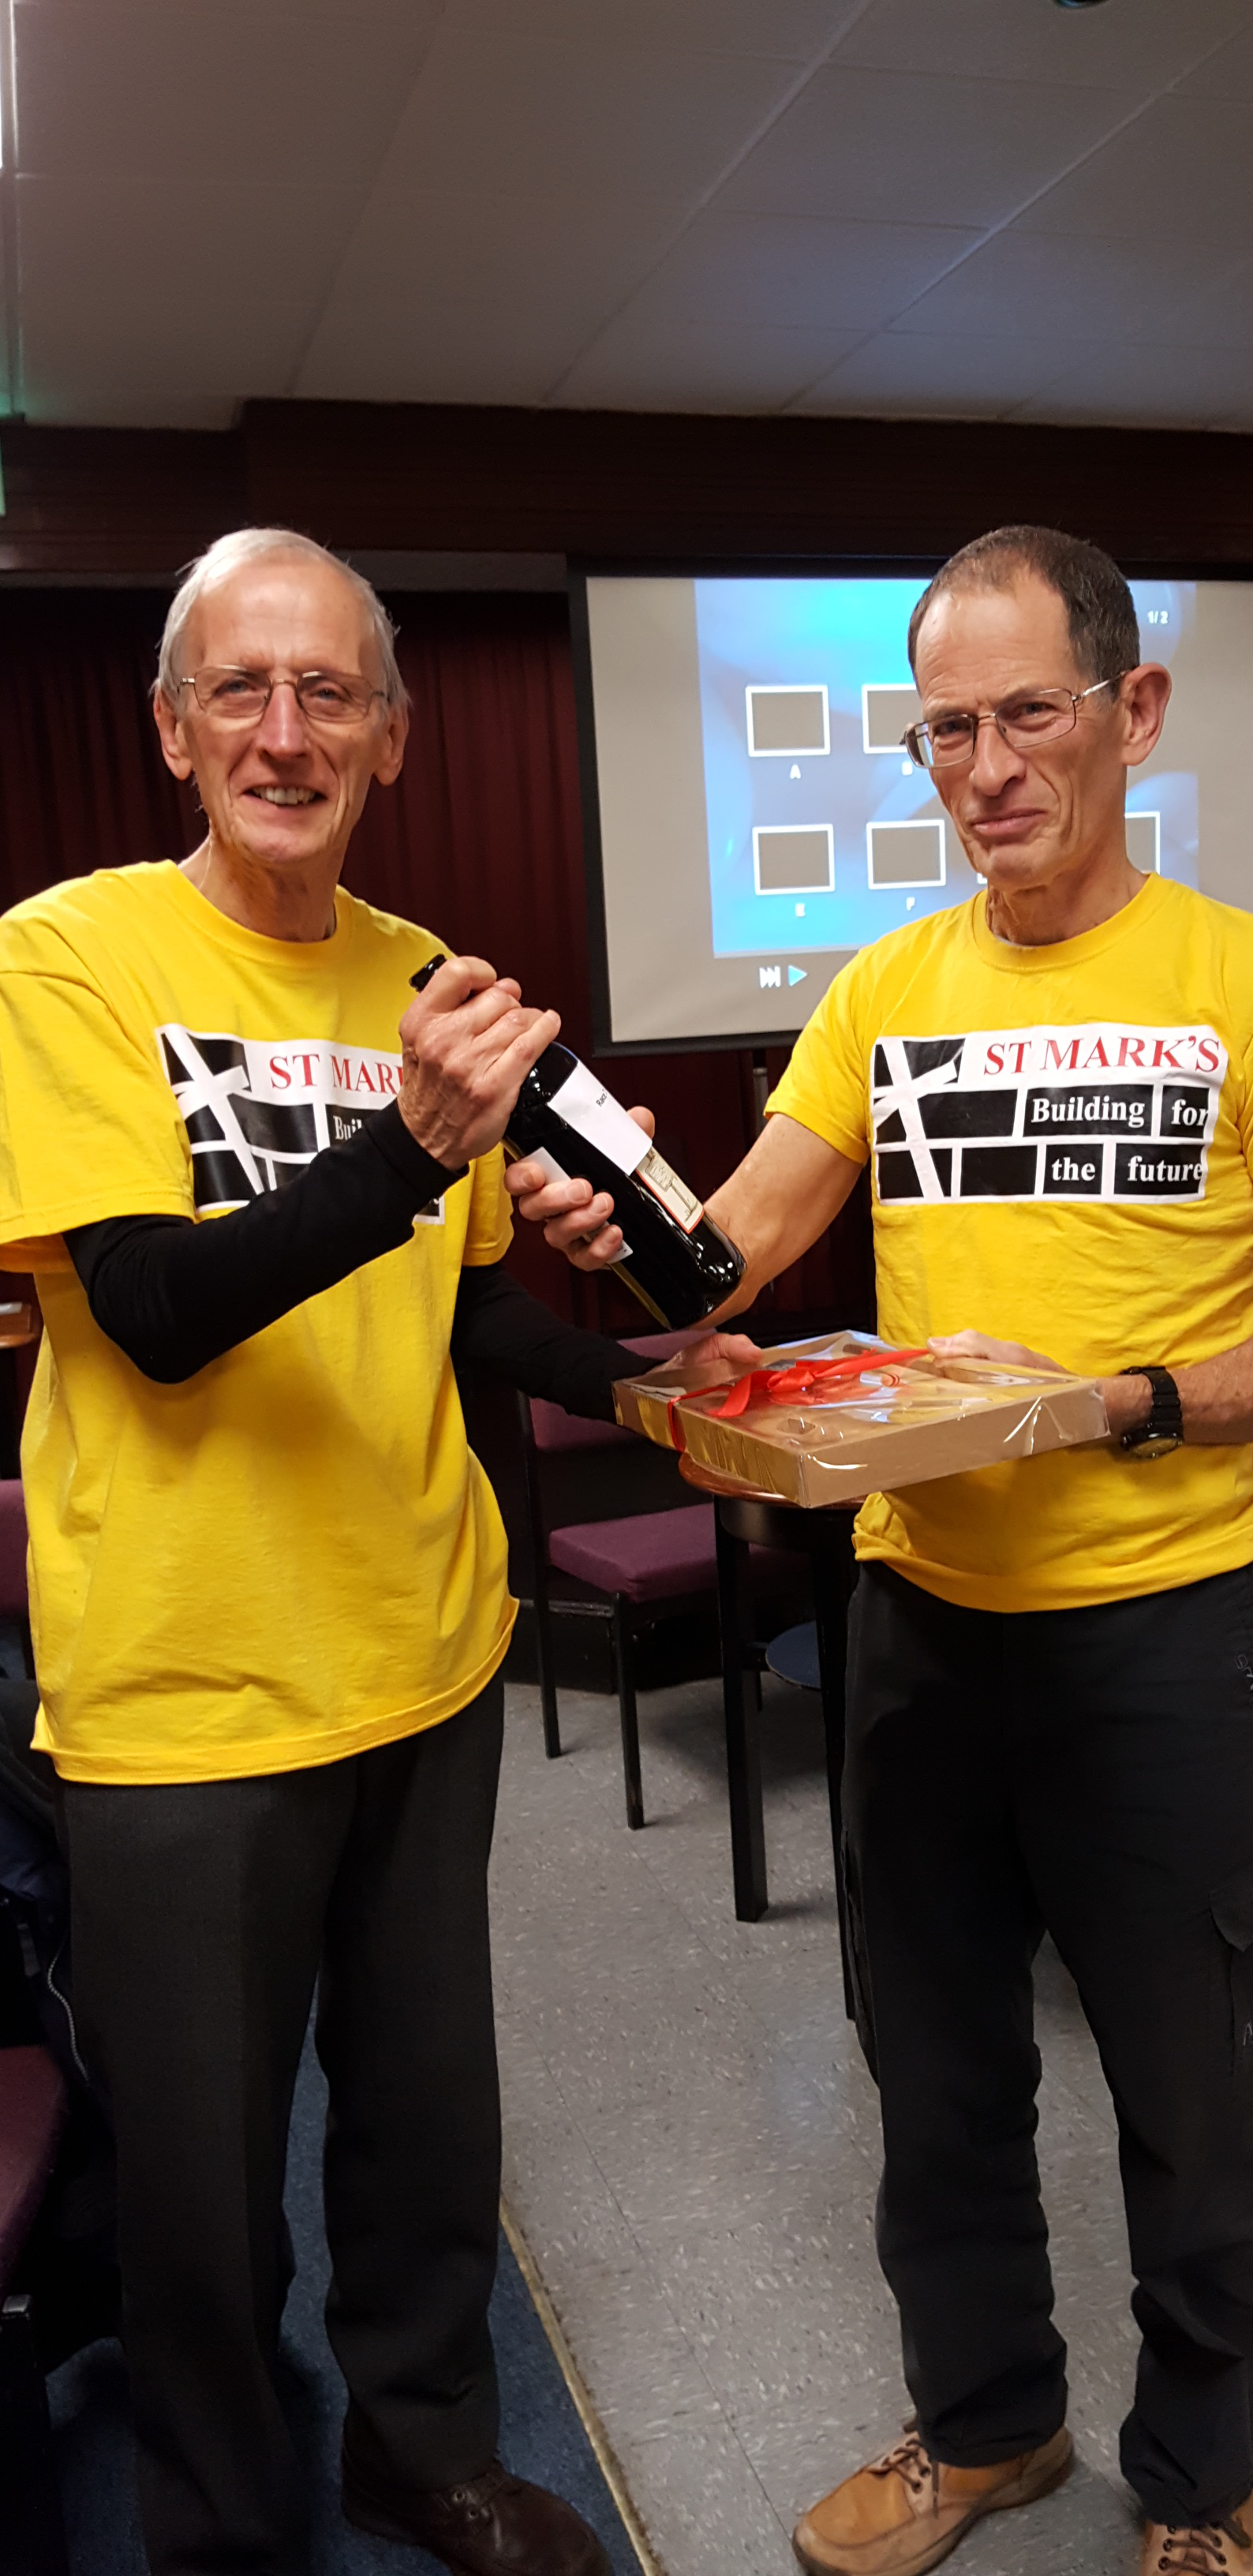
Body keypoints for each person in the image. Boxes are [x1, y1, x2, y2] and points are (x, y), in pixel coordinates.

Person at [509, 526, 1253, 2576]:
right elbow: (735, 1249)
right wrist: (622, 1226)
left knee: (1199, 2096)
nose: (986, 769)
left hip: (1171, 1639)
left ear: (1134, 712)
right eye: (945, 731)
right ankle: (989, 2429)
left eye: (1029, 716)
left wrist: (1125, 1403)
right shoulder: (885, 986)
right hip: (920, 1625)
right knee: (933, 2079)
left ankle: (1199, 2480)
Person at [0, 526, 752, 2576]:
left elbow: (466, 1307)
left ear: (392, 738)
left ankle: (423, 2446)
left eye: (330, 691)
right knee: (202, 2179)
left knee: (427, 2118)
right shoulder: (66, 958)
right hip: (182, 1690)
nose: (285, 730)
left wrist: (653, 1379)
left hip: (426, 1649)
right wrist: (409, 1144)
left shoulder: (432, 982)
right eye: (239, 690)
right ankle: (222, 2524)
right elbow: (155, 1309)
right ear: (171, 730)